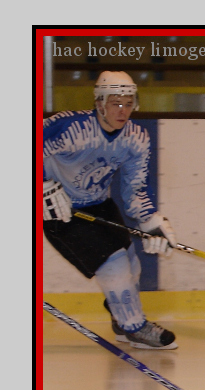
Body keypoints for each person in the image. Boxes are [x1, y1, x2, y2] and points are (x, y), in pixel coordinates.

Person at [43, 71, 179, 349]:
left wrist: (151, 221)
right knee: (114, 265)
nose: (123, 111)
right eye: (116, 103)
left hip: (101, 205)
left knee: (132, 265)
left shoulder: (135, 138)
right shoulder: (70, 128)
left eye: (128, 104)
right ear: (99, 103)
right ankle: (134, 327)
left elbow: (134, 188)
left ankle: (121, 317)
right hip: (62, 212)